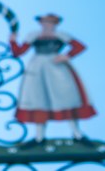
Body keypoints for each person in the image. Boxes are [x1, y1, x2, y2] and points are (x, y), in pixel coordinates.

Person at [9, 13, 96, 148]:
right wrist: (13, 41)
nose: (47, 25)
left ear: (55, 24)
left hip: (57, 69)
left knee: (68, 99)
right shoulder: (34, 35)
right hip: (37, 69)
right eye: (45, 22)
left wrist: (67, 56)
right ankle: (39, 137)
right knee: (38, 101)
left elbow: (79, 46)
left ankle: (77, 134)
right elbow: (18, 52)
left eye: (50, 22)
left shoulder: (61, 35)